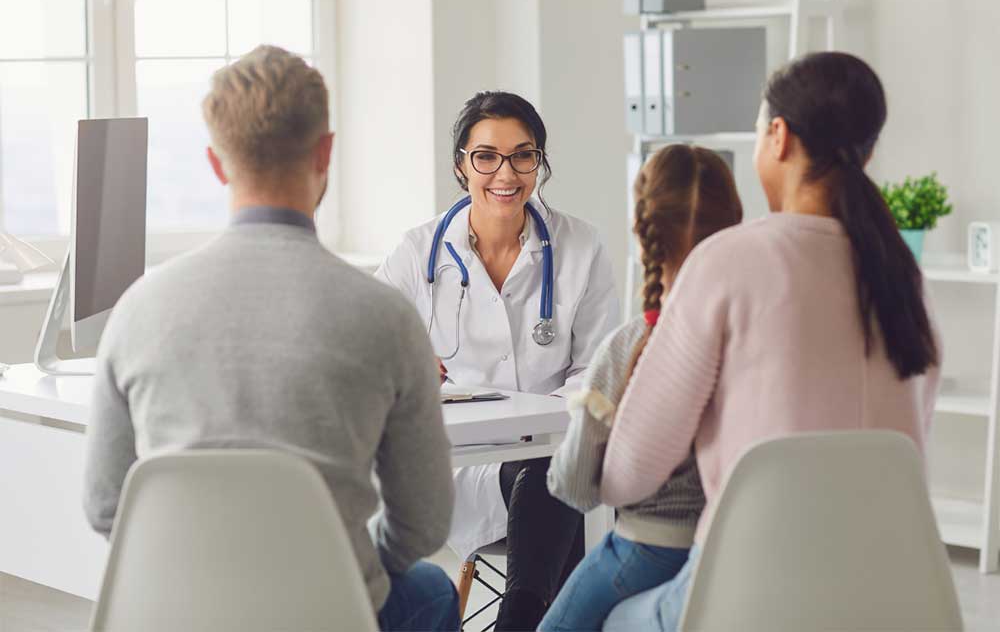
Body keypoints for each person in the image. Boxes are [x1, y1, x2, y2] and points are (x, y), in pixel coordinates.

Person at [82, 45, 459, 632]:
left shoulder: (138, 309)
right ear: (325, 151)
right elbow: (425, 524)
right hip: (329, 613)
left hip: (180, 615)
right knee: (431, 588)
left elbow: (107, 507)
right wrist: (343, 567)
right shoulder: (384, 317)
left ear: (215, 162)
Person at [598, 51, 942, 632]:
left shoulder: (726, 262)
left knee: (612, 618)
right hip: (893, 593)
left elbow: (629, 471)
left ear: (778, 137)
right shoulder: (904, 278)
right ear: (868, 152)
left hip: (748, 595)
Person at [375, 91, 620, 630]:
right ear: (461, 165)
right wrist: (409, 368)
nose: (505, 173)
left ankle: (517, 620)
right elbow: (367, 350)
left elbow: (598, 371)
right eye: (486, 156)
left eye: (523, 155)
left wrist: (542, 421)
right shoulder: (418, 254)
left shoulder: (581, 248)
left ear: (540, 162)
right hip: (459, 470)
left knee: (553, 467)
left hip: (555, 458)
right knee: (559, 489)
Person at [539, 144, 743, 631]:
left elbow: (573, 488)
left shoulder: (630, 347)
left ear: (642, 233)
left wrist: (580, 418)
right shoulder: (750, 344)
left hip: (641, 552)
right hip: (726, 553)